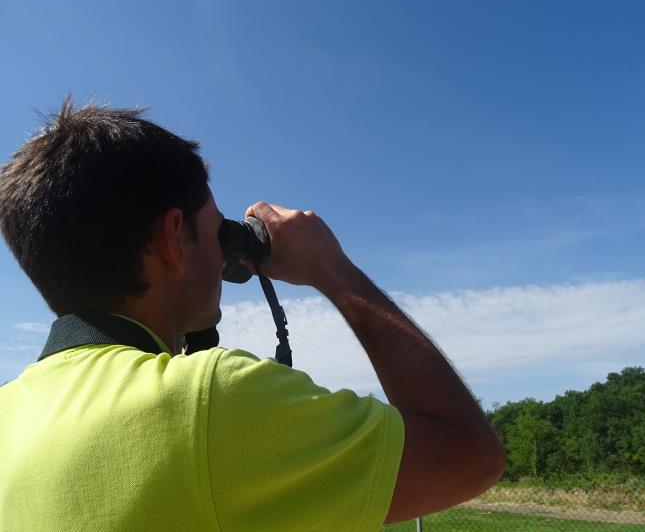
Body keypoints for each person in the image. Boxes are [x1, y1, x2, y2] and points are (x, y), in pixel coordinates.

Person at [0, 98, 505, 531]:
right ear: (173, 239)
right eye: (218, 231)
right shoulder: (210, 402)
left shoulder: (10, 415)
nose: (225, 257)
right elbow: (469, 455)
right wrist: (334, 271)